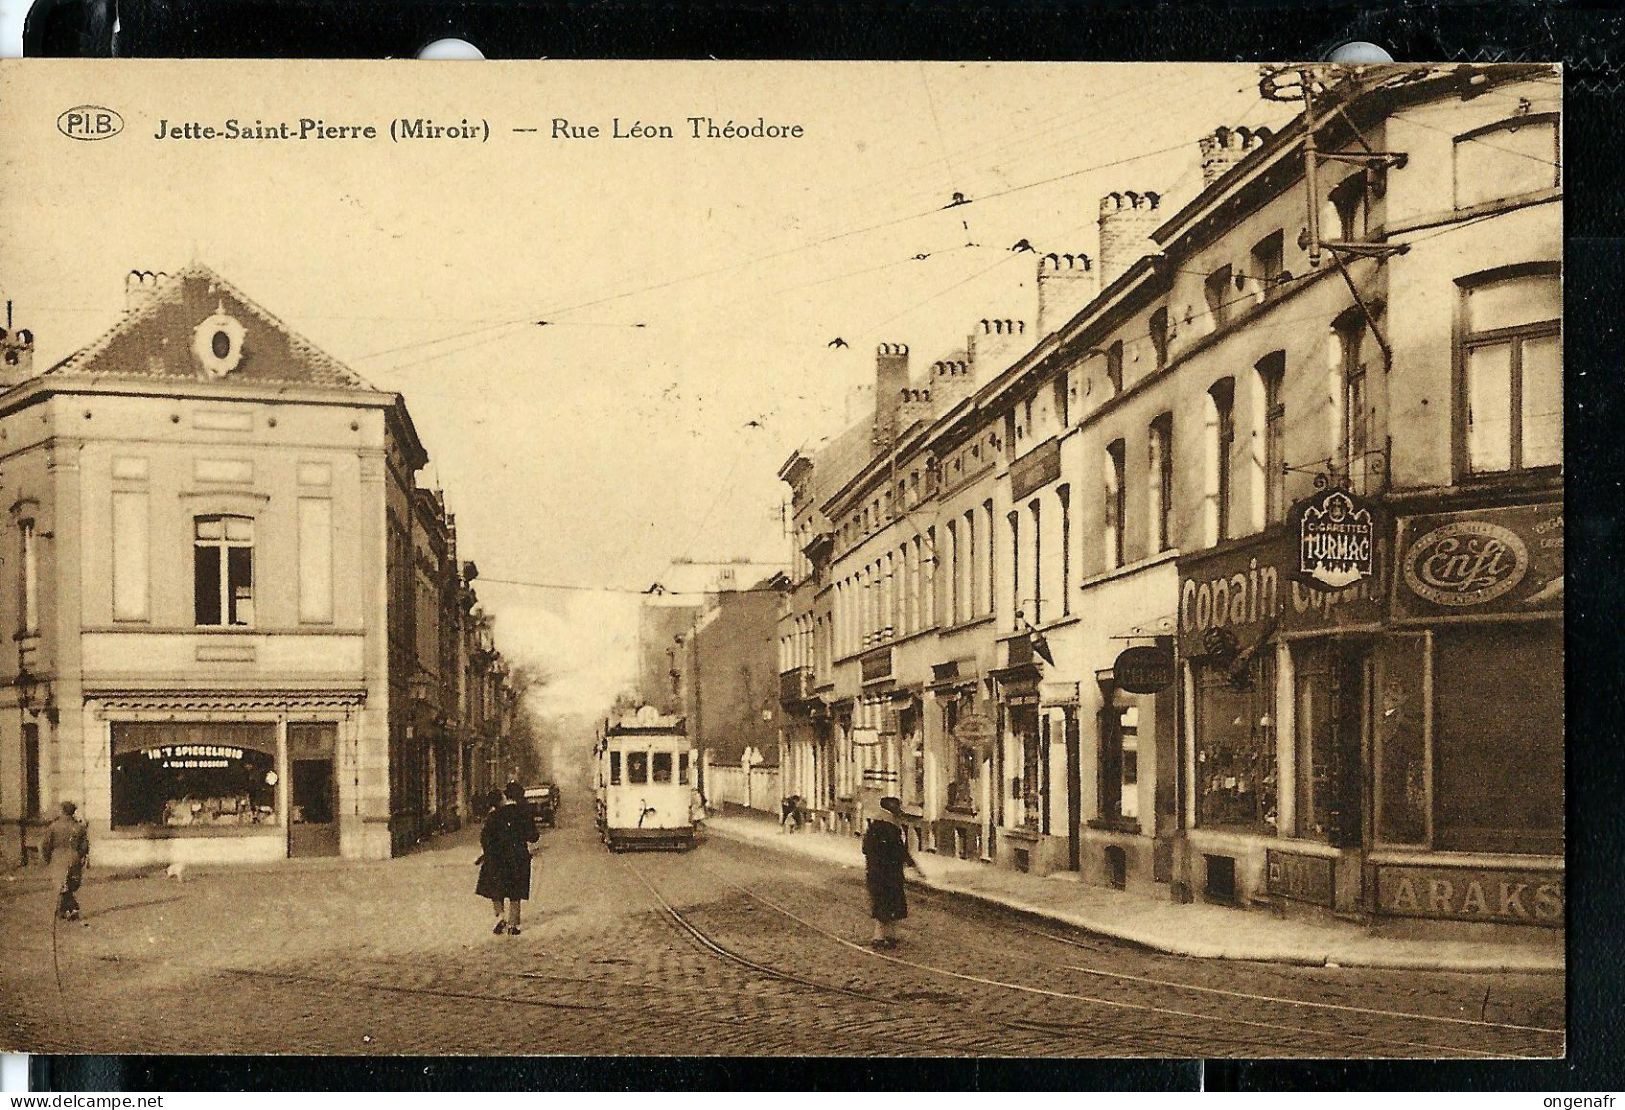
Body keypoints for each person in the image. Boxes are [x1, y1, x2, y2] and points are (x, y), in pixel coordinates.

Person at [475, 781, 539, 936]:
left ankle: (500, 917)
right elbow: (533, 837)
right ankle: (513, 924)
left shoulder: (494, 815)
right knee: (515, 891)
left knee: (496, 889)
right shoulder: (524, 813)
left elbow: (484, 838)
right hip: (518, 858)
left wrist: (488, 853)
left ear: (506, 795)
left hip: (496, 858)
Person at [862, 796, 923, 950]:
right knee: (890, 904)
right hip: (889, 874)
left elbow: (865, 848)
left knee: (882, 903)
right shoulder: (890, 828)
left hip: (876, 873)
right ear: (891, 810)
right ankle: (883, 937)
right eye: (897, 808)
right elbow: (899, 851)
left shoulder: (875, 824)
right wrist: (913, 866)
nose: (899, 812)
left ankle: (885, 936)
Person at [41, 800, 90, 922]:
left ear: (62, 811)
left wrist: (48, 858)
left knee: (63, 885)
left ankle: (72, 909)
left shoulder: (53, 826)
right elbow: (84, 847)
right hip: (73, 857)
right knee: (69, 885)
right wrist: (79, 857)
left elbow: (46, 845)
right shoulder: (79, 827)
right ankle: (65, 910)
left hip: (58, 858)